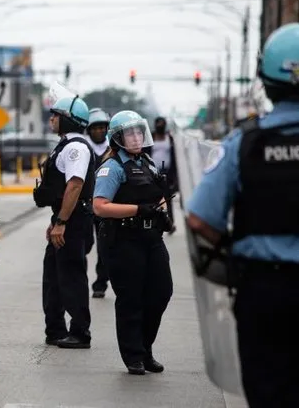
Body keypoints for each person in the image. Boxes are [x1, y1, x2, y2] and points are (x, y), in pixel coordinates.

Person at [186, 22, 299, 407]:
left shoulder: (243, 144)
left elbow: (199, 218)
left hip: (264, 291)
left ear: (265, 80)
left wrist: (234, 247)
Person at [92, 110, 174, 375]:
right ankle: (134, 356)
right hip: (124, 240)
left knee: (161, 292)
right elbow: (100, 207)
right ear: (117, 138)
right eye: (130, 133)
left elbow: (157, 198)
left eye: (139, 132)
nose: (136, 138)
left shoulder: (148, 162)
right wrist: (138, 210)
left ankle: (145, 348)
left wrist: (163, 213)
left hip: (151, 238)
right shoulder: (112, 167)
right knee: (131, 299)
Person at [35, 96, 94, 349]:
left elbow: (75, 185)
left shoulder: (75, 148)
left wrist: (62, 222)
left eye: (56, 115)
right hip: (63, 216)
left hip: (73, 218)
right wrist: (56, 219)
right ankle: (56, 329)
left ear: (67, 120)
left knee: (71, 275)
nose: (52, 118)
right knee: (53, 276)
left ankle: (80, 331)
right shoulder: (65, 145)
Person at [84, 108, 111, 298]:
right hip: (85, 205)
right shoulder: (83, 148)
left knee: (104, 247)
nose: (100, 131)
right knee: (85, 244)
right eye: (96, 128)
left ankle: (101, 283)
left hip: (104, 206)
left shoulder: (113, 149)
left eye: (103, 127)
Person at [145, 116, 177, 234]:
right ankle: (155, 222)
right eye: (158, 123)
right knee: (153, 198)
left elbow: (175, 157)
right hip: (152, 171)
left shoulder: (170, 138)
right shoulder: (150, 137)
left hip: (167, 172)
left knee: (167, 198)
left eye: (162, 124)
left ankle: (170, 222)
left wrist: (174, 176)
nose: (160, 126)